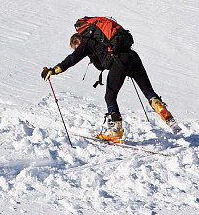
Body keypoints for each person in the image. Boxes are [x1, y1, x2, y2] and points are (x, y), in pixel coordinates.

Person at [41, 18, 179, 142]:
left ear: (77, 40)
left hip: (119, 61)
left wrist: (54, 70)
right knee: (148, 91)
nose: (77, 49)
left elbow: (72, 59)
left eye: (75, 47)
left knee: (110, 96)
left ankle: (116, 132)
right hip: (133, 56)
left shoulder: (85, 42)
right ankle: (164, 112)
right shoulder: (100, 40)